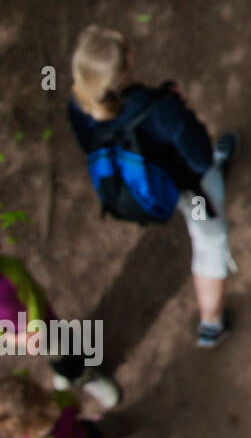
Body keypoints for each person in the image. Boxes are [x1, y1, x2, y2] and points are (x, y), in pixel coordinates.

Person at [67, 26, 237, 348]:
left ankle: (213, 326)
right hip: (190, 190)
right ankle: (211, 323)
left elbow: (90, 145)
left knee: (205, 229)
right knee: (210, 240)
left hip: (133, 185)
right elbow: (200, 160)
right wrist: (180, 109)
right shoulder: (162, 108)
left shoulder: (78, 106)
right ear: (129, 61)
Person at [0, 255, 120, 408]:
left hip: (44, 326)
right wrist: (13, 339)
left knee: (63, 354)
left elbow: (34, 300)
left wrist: (34, 331)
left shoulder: (12, 271)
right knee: (54, 354)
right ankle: (67, 370)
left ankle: (85, 376)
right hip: (20, 337)